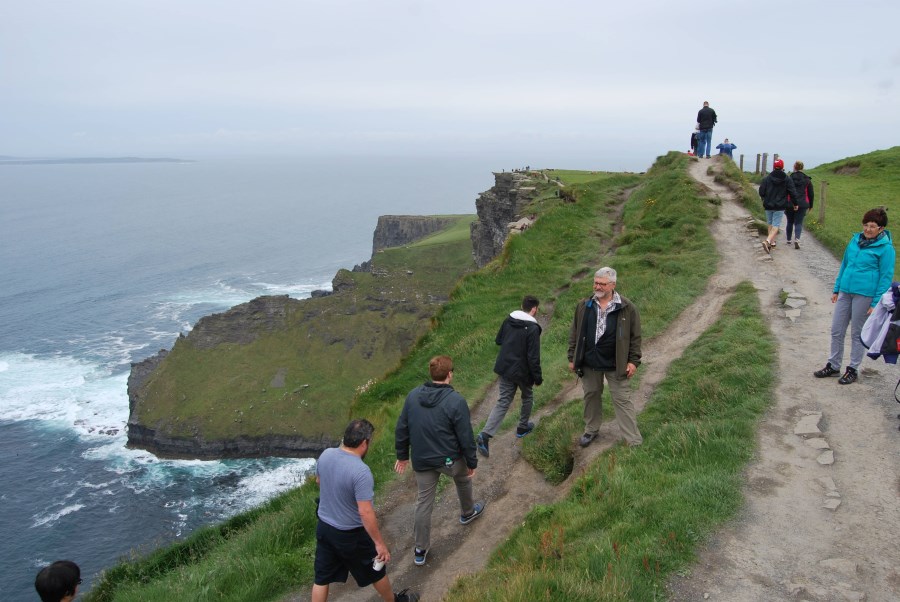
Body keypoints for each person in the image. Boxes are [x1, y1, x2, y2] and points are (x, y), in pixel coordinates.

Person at [313, 419, 418, 602]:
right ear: (364, 443)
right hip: (350, 535)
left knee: (321, 578)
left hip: (324, 528)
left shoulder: (326, 454)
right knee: (376, 571)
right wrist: (379, 543)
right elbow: (365, 512)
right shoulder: (361, 471)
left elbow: (319, 482)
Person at [394, 355, 485, 567]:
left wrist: (401, 455)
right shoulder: (456, 401)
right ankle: (467, 512)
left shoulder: (413, 396)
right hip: (450, 459)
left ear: (432, 374)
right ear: (450, 375)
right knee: (463, 480)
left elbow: (402, 428)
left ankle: (420, 550)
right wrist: (472, 462)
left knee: (423, 502)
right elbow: (465, 435)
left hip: (422, 459)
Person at [814, 208, 895, 384]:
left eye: (872, 226)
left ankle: (852, 369)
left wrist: (876, 302)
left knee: (857, 333)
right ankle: (833, 365)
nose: (867, 229)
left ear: (881, 228)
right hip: (845, 291)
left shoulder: (886, 248)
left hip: (865, 295)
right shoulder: (855, 240)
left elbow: (885, 276)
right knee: (837, 329)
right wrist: (837, 288)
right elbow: (845, 264)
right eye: (866, 225)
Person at [567, 267, 643, 448]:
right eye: (596, 282)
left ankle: (633, 439)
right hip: (589, 361)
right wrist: (572, 357)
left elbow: (635, 337)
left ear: (613, 285)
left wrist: (633, 361)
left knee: (622, 398)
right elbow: (575, 332)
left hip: (616, 362)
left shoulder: (627, 307)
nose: (597, 286)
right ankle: (591, 430)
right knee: (591, 394)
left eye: (602, 283)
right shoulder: (585, 305)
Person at [476, 295, 543, 458]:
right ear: (534, 309)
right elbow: (533, 357)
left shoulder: (509, 320)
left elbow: (499, 340)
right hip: (523, 372)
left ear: (522, 306)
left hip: (505, 367)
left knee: (503, 401)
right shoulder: (533, 329)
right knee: (527, 397)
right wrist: (538, 377)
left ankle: (485, 435)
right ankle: (522, 427)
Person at [758, 158, 798, 253]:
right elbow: (792, 192)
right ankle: (767, 241)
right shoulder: (787, 179)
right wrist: (795, 203)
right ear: (782, 166)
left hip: (768, 204)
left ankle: (771, 243)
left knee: (770, 223)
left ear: (774, 167)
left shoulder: (767, 178)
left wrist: (764, 197)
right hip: (780, 205)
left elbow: (761, 191)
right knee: (776, 225)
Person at [785, 160, 814, 249]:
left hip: (790, 203)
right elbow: (811, 194)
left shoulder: (789, 178)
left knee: (789, 221)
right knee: (798, 222)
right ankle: (797, 239)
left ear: (794, 167)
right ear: (802, 167)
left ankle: (789, 240)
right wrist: (811, 205)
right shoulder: (807, 180)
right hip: (802, 203)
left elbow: (785, 191)